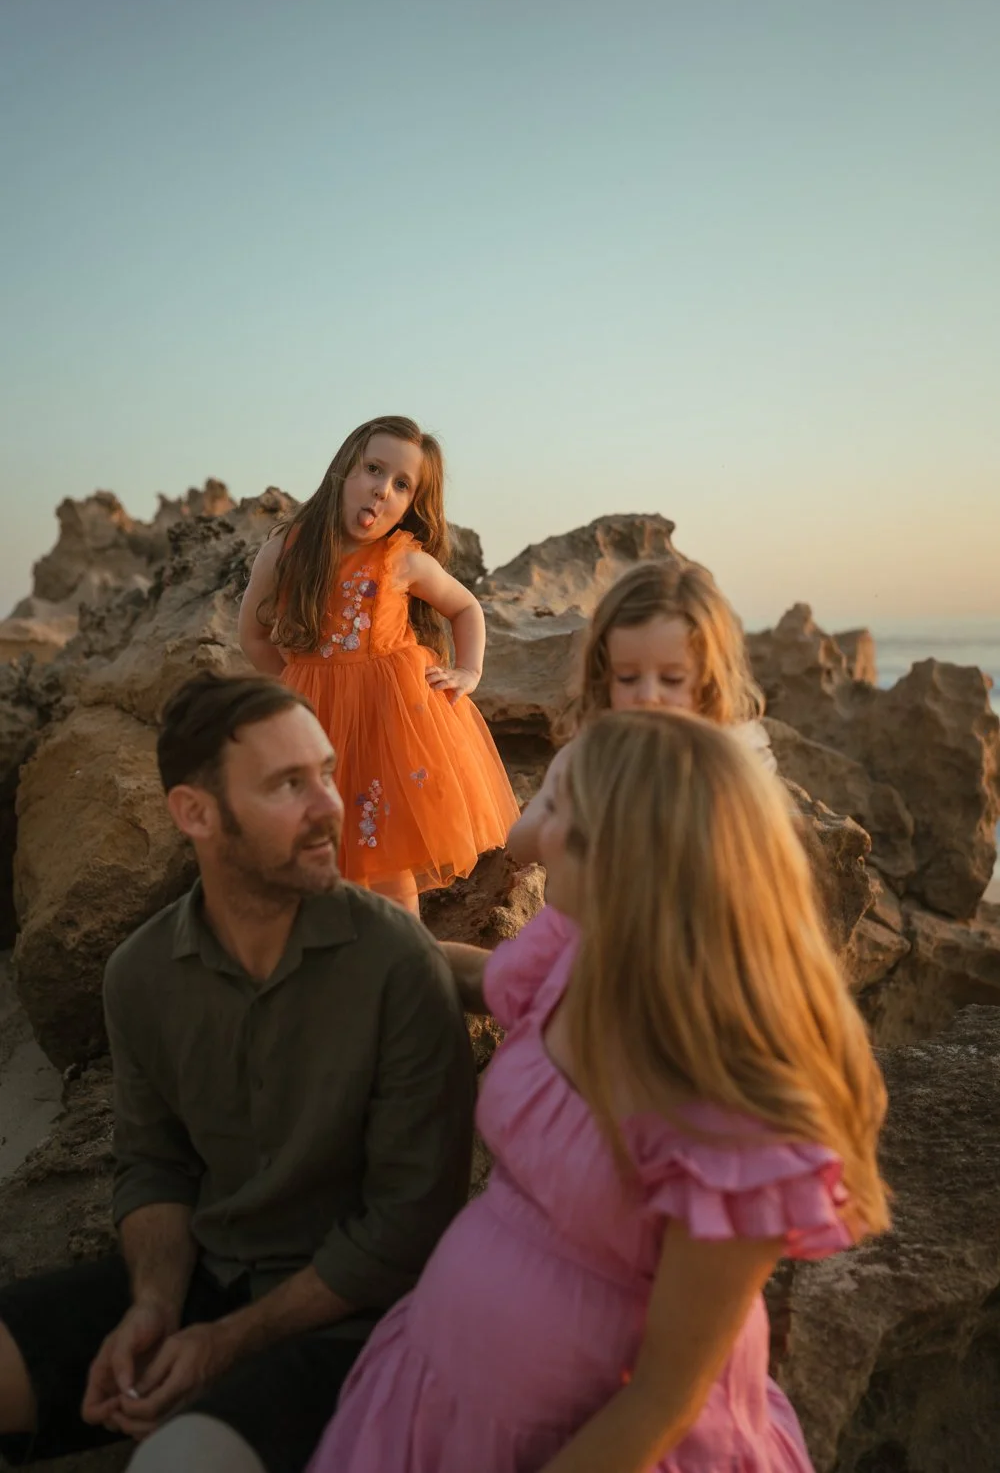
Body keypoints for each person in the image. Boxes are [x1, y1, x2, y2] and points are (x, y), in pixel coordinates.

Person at [309, 709, 890, 1473]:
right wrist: (347, 926)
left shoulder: (736, 1114)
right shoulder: (583, 954)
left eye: (557, 807)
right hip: (434, 1398)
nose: (533, 837)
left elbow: (663, 1401)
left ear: (625, 851)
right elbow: (477, 977)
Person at [0, 671, 476, 1473]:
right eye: (289, 784)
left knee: (176, 1463)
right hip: (205, 1279)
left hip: (360, 1322)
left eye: (327, 773)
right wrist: (154, 1307)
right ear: (195, 812)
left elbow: (405, 1230)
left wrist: (223, 1345)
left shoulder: (397, 964)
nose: (329, 806)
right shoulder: (139, 973)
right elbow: (154, 1165)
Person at [238, 414, 519, 916]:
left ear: (411, 504)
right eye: (373, 469)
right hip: (315, 719)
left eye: (401, 485)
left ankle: (403, 955)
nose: (381, 490)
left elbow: (465, 608)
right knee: (315, 852)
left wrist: (468, 672)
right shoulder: (285, 551)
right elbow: (252, 635)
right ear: (344, 468)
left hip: (390, 724)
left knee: (385, 859)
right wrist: (292, 693)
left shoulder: (401, 560)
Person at [507, 555, 776, 867]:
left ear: (708, 682)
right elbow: (520, 845)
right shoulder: (588, 757)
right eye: (627, 677)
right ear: (604, 676)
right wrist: (573, 809)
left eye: (671, 679)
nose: (648, 696)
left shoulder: (728, 761)